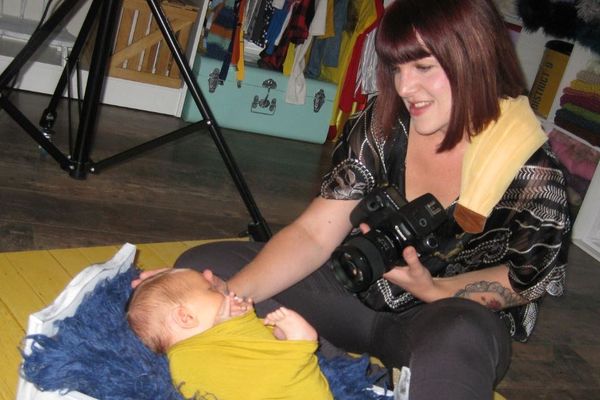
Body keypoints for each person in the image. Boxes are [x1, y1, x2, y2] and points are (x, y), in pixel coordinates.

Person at [138, 0, 571, 398]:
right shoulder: (384, 125)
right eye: (396, 69)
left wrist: (433, 288)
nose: (405, 87)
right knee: (197, 270)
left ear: (474, 56)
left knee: (461, 340)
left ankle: (360, 372)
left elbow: (524, 282)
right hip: (349, 290)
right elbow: (313, 235)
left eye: (422, 67)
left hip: (439, 318)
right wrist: (219, 299)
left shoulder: (533, 172)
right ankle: (323, 368)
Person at [127, 268, 333, 400]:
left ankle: (290, 345)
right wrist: (242, 321)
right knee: (269, 379)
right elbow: (250, 370)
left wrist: (272, 332)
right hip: (282, 390)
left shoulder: (181, 360)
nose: (219, 288)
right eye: (211, 290)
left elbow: (247, 353)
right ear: (185, 317)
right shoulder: (199, 353)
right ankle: (298, 345)